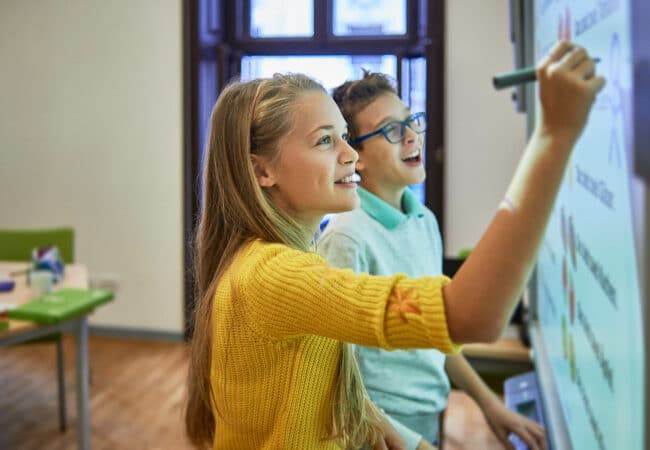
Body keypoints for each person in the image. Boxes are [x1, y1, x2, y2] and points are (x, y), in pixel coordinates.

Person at [185, 40, 604, 450]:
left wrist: (391, 428)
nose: (350, 154)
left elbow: (318, 384)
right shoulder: (274, 274)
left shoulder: (286, 259)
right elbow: (472, 315)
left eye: (345, 136)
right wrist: (554, 136)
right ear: (262, 171)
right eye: (324, 140)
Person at [318, 71, 545, 450]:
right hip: (377, 434)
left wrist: (489, 404)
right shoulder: (346, 239)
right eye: (391, 130)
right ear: (355, 157)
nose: (411, 136)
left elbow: (436, 331)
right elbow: (337, 380)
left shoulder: (423, 220)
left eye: (411, 120)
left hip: (429, 418)